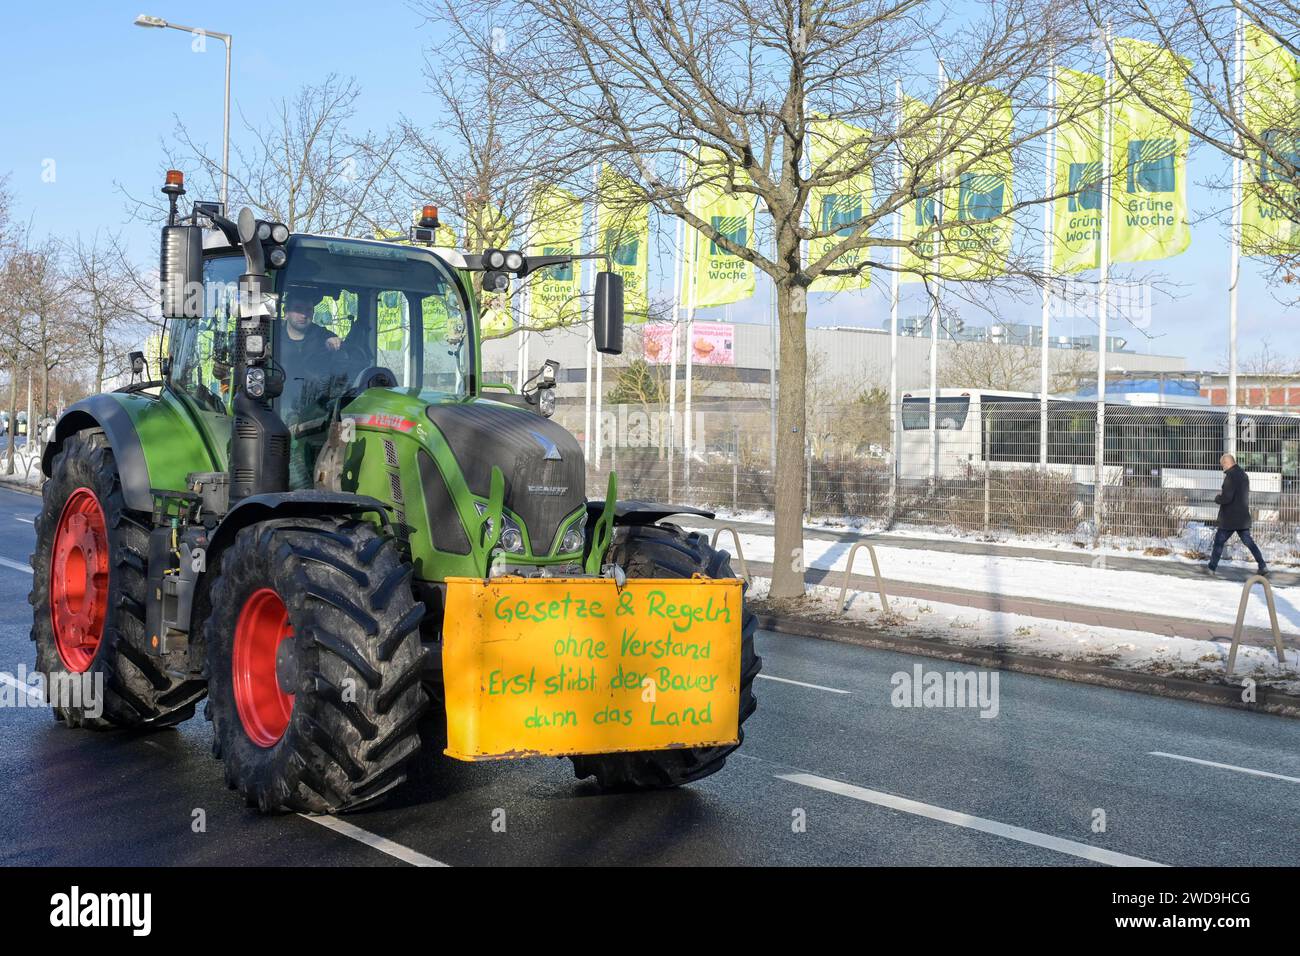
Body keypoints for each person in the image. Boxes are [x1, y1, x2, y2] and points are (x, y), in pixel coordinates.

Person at [1207, 453, 1268, 576]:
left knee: (1219, 541)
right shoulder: (1244, 475)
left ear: (1227, 463)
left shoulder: (1230, 476)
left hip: (1229, 518)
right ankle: (1262, 565)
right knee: (1249, 542)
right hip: (1243, 517)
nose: (1222, 468)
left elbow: (1227, 498)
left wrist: (1218, 498)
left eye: (1222, 465)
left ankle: (1211, 568)